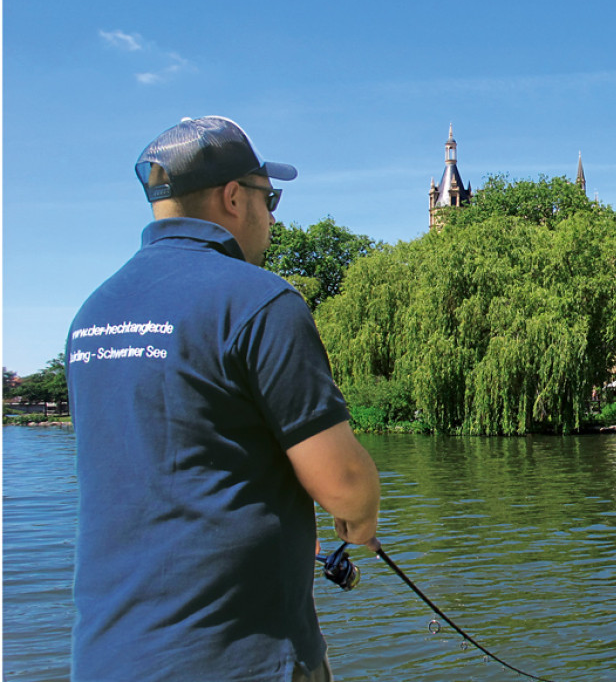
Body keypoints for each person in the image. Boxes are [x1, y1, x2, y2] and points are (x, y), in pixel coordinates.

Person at [66, 116, 381, 682]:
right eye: (270, 197)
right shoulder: (259, 300)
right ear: (233, 196)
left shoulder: (94, 313)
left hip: (107, 659)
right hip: (242, 659)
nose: (273, 215)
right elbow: (345, 484)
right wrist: (359, 523)